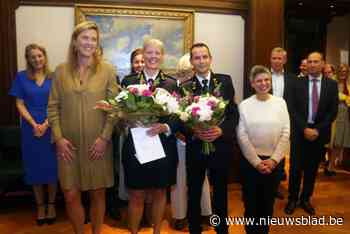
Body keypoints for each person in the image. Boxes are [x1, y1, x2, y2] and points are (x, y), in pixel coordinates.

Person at [47, 21, 119, 234]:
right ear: (75, 42)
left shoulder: (107, 70)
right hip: (68, 148)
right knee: (70, 194)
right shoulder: (60, 71)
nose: (89, 43)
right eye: (85, 38)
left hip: (98, 146)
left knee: (98, 194)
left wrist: (104, 138)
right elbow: (52, 107)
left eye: (93, 39)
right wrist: (58, 139)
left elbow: (115, 108)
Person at [121, 38, 178, 234]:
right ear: (143, 55)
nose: (153, 56)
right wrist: (128, 120)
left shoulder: (172, 83)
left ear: (162, 57)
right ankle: (134, 232)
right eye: (149, 52)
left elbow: (178, 116)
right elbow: (121, 112)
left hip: (163, 146)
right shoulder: (129, 82)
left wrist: (165, 126)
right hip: (136, 145)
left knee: (160, 191)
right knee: (136, 193)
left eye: (157, 53)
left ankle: (156, 232)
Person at [182, 42, 239, 234]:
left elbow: (233, 114)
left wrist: (221, 130)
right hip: (196, 148)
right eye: (196, 57)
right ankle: (194, 229)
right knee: (195, 191)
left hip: (220, 147)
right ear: (191, 62)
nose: (201, 61)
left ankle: (221, 228)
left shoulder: (225, 81)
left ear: (210, 58)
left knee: (221, 191)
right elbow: (181, 119)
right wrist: (194, 131)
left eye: (204, 56)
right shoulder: (186, 87)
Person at [237, 65, 290, 234]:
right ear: (252, 83)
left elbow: (286, 132)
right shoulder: (245, 105)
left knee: (268, 204)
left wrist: (274, 160)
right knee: (251, 203)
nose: (263, 83)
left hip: (274, 163)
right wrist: (256, 162)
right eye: (258, 80)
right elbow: (242, 136)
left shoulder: (280, 103)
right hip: (251, 163)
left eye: (266, 80)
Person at [9, 43, 57, 226]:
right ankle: (40, 206)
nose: (37, 59)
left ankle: (51, 205)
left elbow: (57, 104)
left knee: (52, 168)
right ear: (28, 59)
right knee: (35, 169)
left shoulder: (54, 77)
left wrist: (45, 124)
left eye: (40, 56)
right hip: (31, 130)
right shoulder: (21, 77)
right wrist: (34, 124)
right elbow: (19, 103)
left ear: (44, 57)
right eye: (33, 57)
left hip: (51, 126)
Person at [285, 52, 338, 215]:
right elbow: (291, 108)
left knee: (312, 168)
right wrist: (304, 128)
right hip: (300, 132)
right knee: (295, 168)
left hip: (318, 133)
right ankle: (293, 199)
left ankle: (306, 199)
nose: (312, 64)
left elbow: (332, 112)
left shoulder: (331, 85)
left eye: (316, 62)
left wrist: (317, 129)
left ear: (323, 64)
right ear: (306, 64)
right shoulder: (296, 83)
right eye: (310, 62)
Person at [170, 53, 212, 230]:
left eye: (190, 71)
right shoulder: (178, 89)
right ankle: (180, 216)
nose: (187, 74)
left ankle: (205, 212)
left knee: (202, 179)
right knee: (179, 179)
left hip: (200, 139)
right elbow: (174, 115)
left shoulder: (205, 87)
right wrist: (180, 131)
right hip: (181, 140)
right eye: (184, 72)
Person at [269, 47, 294, 199]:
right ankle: (264, 184)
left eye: (280, 58)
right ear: (270, 59)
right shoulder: (262, 75)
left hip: (284, 123)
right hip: (264, 122)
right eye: (274, 58)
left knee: (280, 156)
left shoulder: (292, 79)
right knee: (265, 153)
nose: (277, 61)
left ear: (284, 60)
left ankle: (276, 185)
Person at [330, 64, 350, 175]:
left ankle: (333, 165)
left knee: (340, 142)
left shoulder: (349, 85)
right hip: (335, 116)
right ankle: (330, 165)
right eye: (341, 71)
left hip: (346, 116)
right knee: (334, 142)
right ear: (338, 72)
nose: (343, 73)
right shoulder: (334, 84)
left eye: (345, 71)